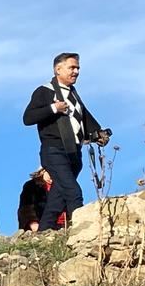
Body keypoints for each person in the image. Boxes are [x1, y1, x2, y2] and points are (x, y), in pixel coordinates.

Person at [22, 53, 109, 231]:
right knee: (73, 192)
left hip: (74, 152)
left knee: (57, 197)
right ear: (58, 69)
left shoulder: (73, 93)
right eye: (72, 67)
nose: (76, 71)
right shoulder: (45, 91)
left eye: (77, 68)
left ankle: (44, 233)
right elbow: (28, 117)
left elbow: (83, 117)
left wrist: (97, 133)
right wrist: (54, 108)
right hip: (54, 150)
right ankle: (82, 233)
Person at [17, 168, 64, 233]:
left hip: (61, 227)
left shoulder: (61, 187)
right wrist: (33, 223)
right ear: (42, 171)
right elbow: (26, 208)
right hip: (40, 227)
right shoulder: (32, 185)